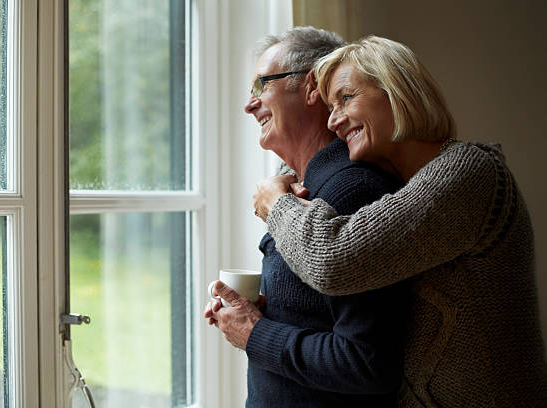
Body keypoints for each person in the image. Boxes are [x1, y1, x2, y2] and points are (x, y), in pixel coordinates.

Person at [252, 35, 547, 407]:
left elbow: (334, 260)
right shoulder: (402, 186)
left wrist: (277, 202)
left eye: (346, 98)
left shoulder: (470, 173)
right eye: (329, 107)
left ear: (397, 91)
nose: (334, 120)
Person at [204, 27, 410, 407]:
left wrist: (254, 332)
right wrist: (253, 316)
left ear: (313, 86)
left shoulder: (352, 191)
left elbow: (367, 363)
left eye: (262, 86)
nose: (250, 106)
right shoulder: (301, 187)